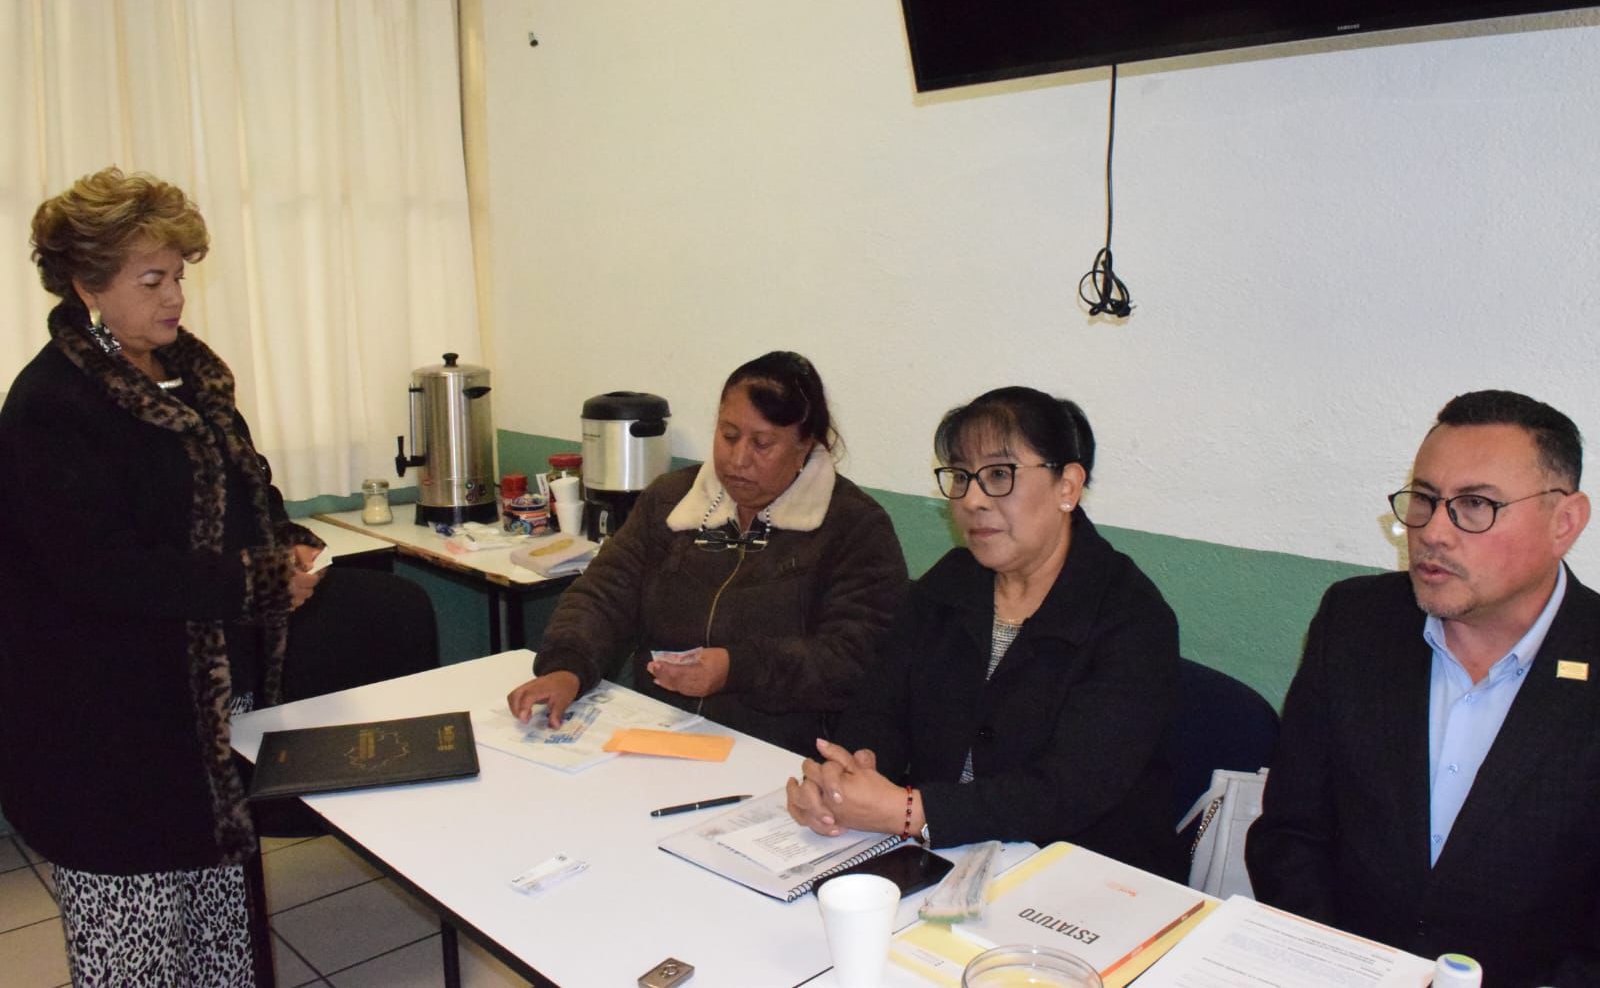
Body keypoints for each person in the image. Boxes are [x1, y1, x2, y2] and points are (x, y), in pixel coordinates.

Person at [0, 168, 325, 986]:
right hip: (109, 729)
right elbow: (100, 570)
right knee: (136, 950)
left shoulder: (190, 377)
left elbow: (245, 484)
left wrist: (283, 541)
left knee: (221, 939)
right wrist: (255, 583)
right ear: (88, 285)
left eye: (179, 274)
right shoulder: (51, 404)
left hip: (202, 715)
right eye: (152, 279)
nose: (176, 296)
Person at [1246, 390, 1600, 987]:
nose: (1433, 531)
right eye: (1426, 500)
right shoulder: (1355, 621)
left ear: (1563, 522)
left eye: (1475, 505)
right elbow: (1292, 833)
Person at [786, 386, 1183, 879]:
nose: (972, 500)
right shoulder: (951, 583)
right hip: (946, 859)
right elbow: (877, 711)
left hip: (1083, 877)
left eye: (999, 475)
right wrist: (841, 781)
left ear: (1067, 486)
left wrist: (910, 811)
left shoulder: (1131, 617)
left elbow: (1067, 790)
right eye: (960, 476)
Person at [506, 351, 908, 755]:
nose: (738, 459)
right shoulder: (671, 502)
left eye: (762, 444)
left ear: (806, 444)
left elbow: (851, 657)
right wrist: (566, 667)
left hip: (778, 753)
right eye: (728, 435)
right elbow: (604, 593)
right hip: (660, 732)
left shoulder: (854, 527)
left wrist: (738, 669)